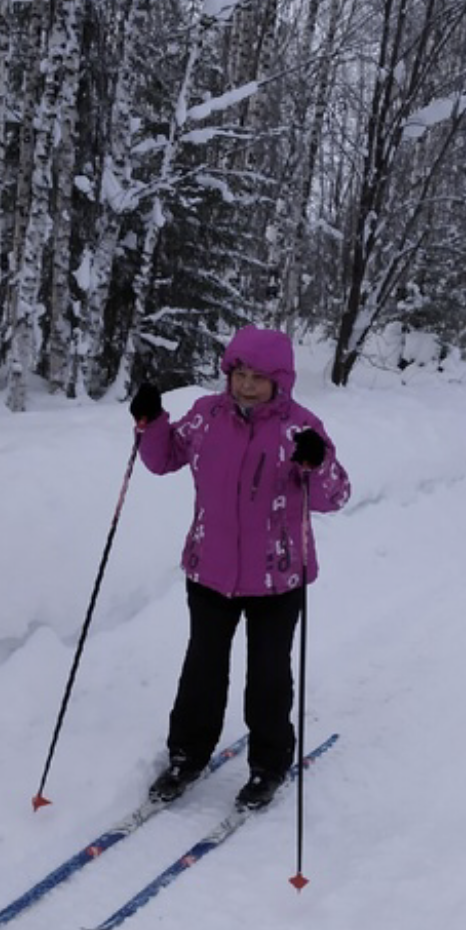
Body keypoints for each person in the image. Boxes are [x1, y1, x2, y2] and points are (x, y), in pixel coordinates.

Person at [129, 325, 351, 811]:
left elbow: (334, 496)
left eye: (259, 377)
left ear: (281, 381)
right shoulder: (207, 416)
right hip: (209, 569)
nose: (247, 385)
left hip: (276, 578)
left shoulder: (299, 427)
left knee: (268, 676)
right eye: (240, 374)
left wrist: (317, 464)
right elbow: (165, 457)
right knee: (202, 669)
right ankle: (187, 754)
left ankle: (269, 764)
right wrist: (151, 421)